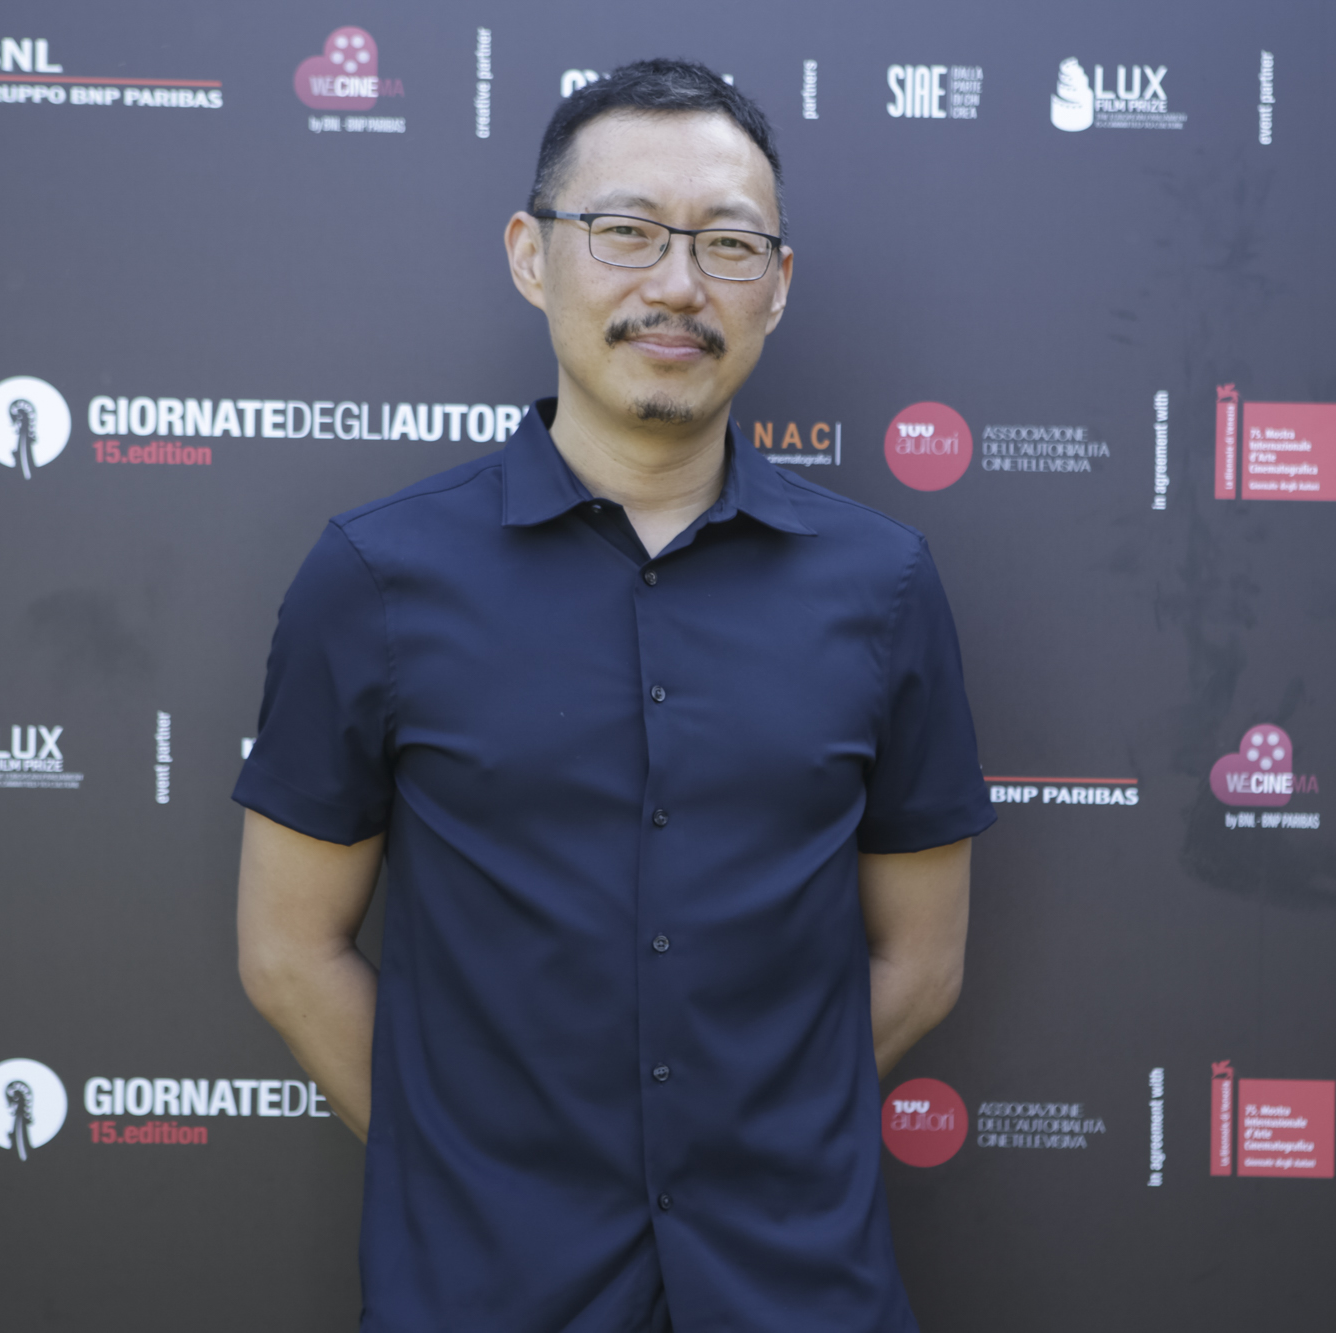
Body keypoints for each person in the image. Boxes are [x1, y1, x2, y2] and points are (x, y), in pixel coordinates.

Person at [233, 58, 994, 1333]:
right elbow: (286, 951)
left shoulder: (883, 585)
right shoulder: (373, 576)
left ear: (776, 285)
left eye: (727, 244)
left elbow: (920, 960)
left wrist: (744, 1135)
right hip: (482, 1295)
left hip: (797, 1292)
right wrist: (478, 1170)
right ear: (532, 256)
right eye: (626, 231)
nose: (678, 285)